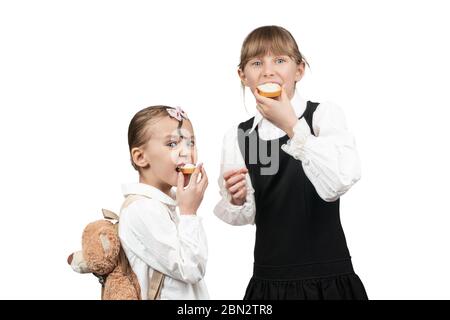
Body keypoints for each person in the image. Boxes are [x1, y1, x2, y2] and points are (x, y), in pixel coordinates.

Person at [214, 25, 368, 300]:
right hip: (269, 285)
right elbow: (248, 214)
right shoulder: (239, 136)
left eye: (280, 60)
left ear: (299, 70)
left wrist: (292, 126)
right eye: (257, 62)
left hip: (328, 283)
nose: (268, 70)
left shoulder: (322, 117)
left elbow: (339, 180)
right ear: (242, 75)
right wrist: (237, 200)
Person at [119, 105, 209, 299]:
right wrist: (189, 212)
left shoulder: (162, 206)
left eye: (191, 143)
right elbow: (191, 269)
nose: (186, 152)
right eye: (172, 144)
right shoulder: (142, 209)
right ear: (141, 157)